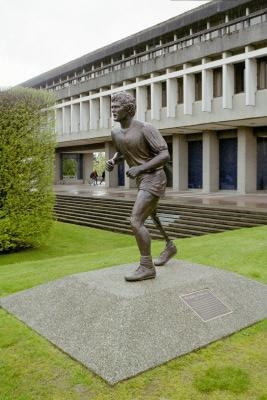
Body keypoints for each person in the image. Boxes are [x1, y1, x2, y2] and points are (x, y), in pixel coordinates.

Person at [106, 91, 177, 282]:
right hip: (141, 179)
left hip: (154, 177)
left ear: (128, 109)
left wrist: (140, 168)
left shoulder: (146, 128)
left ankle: (147, 266)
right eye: (111, 107)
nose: (113, 110)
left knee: (136, 220)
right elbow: (122, 152)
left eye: (117, 107)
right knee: (152, 215)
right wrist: (113, 161)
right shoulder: (115, 132)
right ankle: (170, 246)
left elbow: (164, 155)